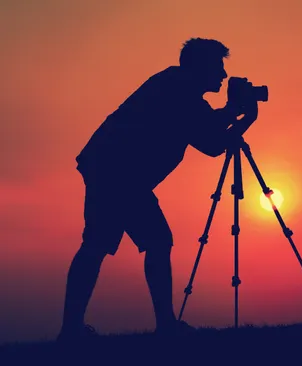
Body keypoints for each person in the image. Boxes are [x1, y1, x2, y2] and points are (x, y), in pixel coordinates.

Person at [57, 38, 258, 341]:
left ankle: (76, 329)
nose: (223, 75)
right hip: (116, 171)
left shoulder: (180, 89)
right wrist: (237, 114)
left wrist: (240, 117)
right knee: (123, 242)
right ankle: (87, 329)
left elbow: (211, 142)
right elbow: (210, 136)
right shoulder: (177, 88)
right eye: (218, 66)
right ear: (199, 66)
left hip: (116, 171)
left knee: (116, 244)